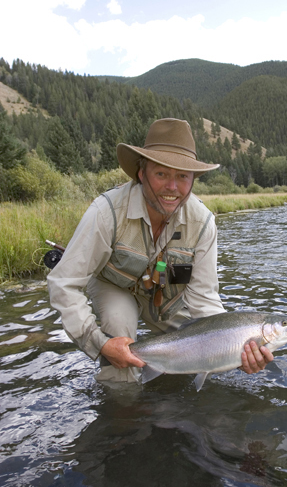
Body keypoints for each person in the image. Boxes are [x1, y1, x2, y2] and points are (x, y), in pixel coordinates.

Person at [47, 118, 273, 383]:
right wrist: (99, 344)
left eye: (182, 176)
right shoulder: (106, 212)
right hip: (113, 287)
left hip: (164, 301)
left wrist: (235, 353)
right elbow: (63, 283)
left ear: (193, 180)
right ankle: (122, 409)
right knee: (120, 327)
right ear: (142, 174)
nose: (172, 187)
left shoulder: (203, 224)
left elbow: (204, 302)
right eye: (162, 174)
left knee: (202, 348)